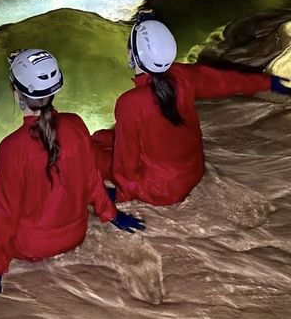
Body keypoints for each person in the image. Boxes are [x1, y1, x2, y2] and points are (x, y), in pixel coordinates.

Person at [0, 48, 146, 299]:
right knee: (12, 185)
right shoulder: (76, 124)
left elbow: (4, 215)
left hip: (30, 246)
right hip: (75, 234)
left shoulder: (11, 147)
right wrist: (111, 214)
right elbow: (92, 179)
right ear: (54, 91)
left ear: (16, 93)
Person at [91, 13, 291, 206]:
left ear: (132, 55)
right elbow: (225, 81)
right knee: (103, 136)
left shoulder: (130, 102)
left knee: (90, 151)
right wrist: (268, 82)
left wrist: (122, 194)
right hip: (192, 171)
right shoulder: (181, 75)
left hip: (161, 188)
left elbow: (126, 163)